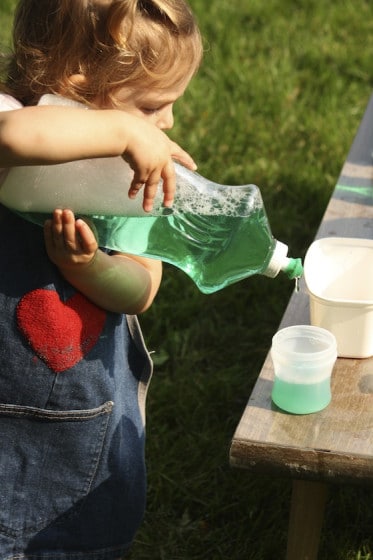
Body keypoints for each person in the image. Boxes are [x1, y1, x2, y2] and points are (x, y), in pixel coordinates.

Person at [0, 1, 203, 558]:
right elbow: (15, 135)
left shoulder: (130, 177)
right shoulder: (13, 118)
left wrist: (86, 267)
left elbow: (142, 288)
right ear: (76, 84)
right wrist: (118, 128)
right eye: (153, 107)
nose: (166, 127)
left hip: (82, 417)